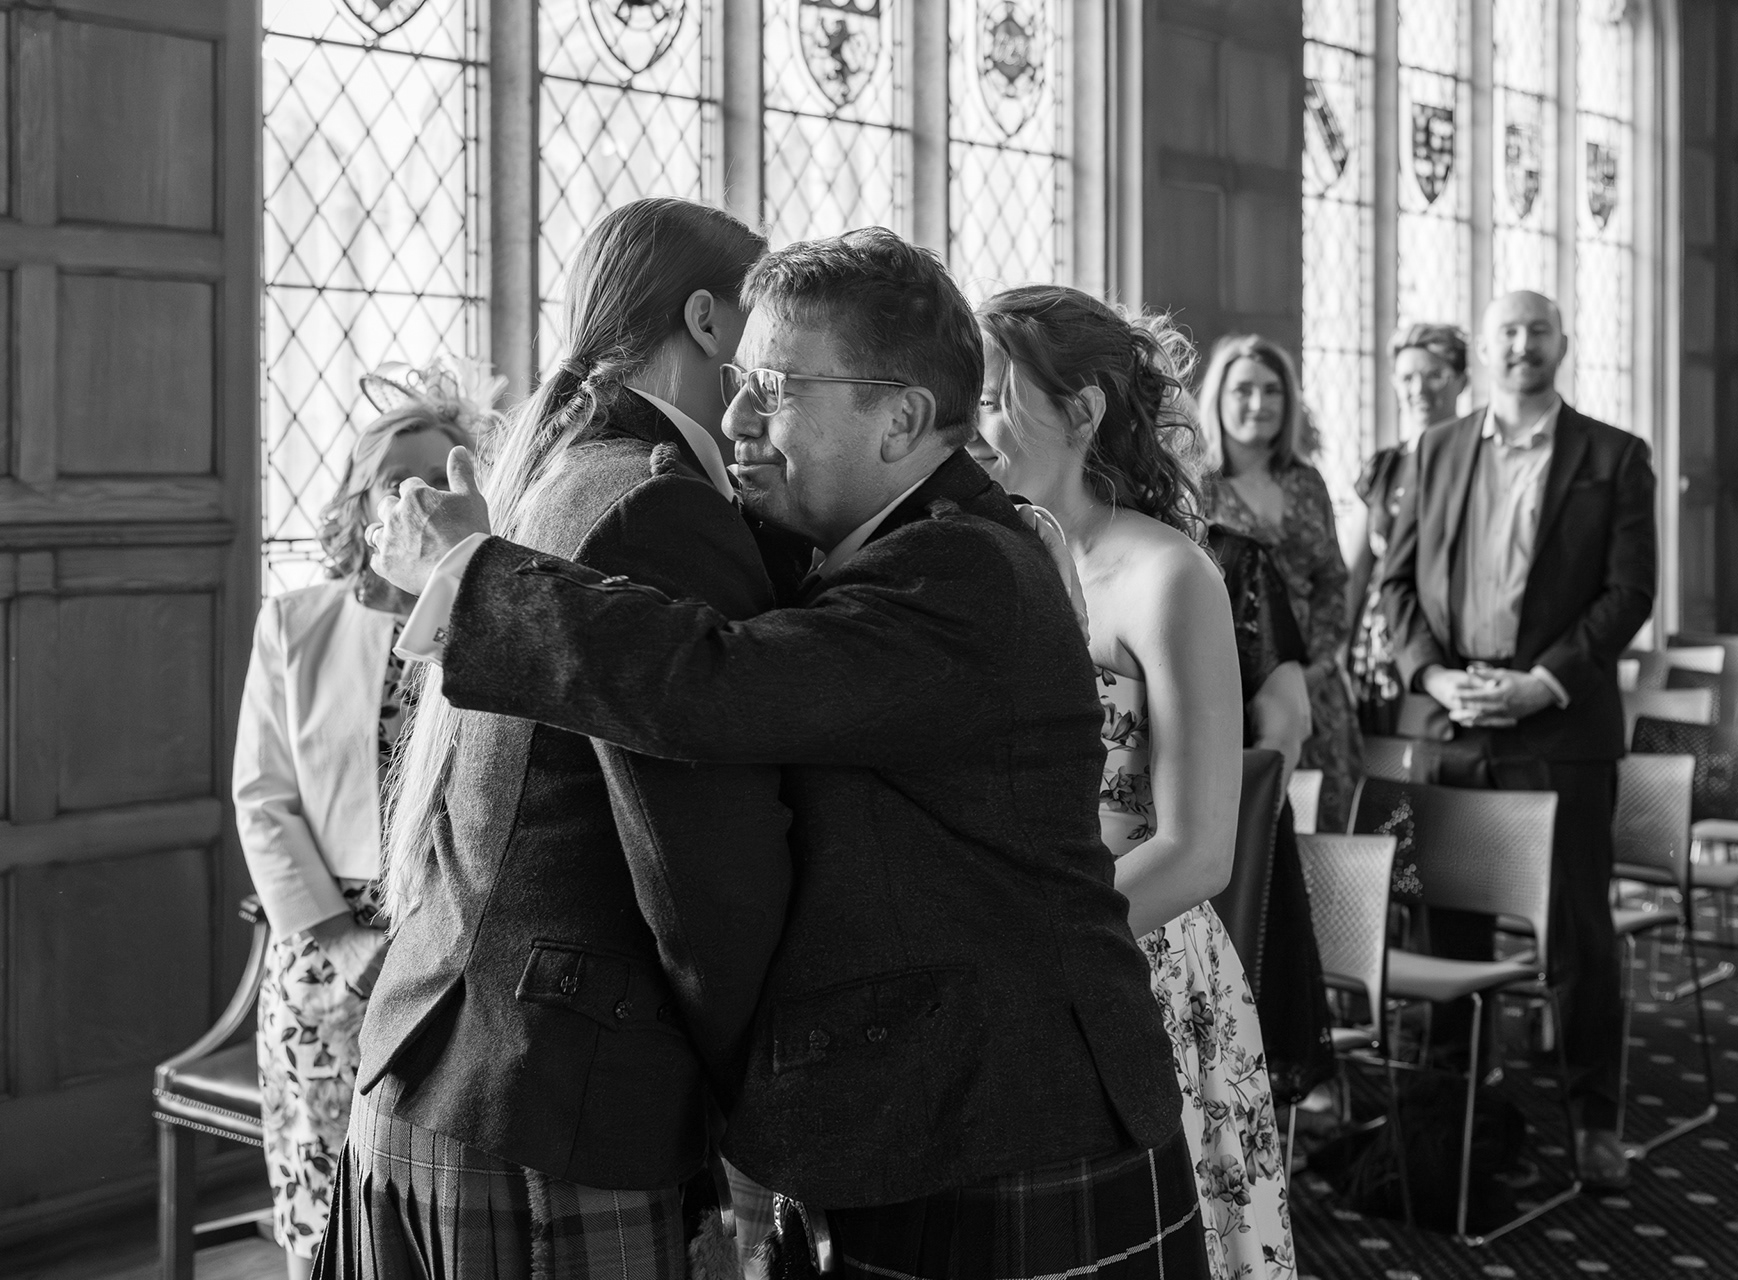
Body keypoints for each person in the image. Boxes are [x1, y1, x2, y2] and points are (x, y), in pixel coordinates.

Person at [367, 228, 1208, 1277]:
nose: (733, 418)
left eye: (773, 386)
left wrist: (472, 573)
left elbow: (716, 683)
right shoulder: (883, 540)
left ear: (901, 417)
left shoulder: (964, 572)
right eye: (734, 381)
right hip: (930, 1116)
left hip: (1009, 1116)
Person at [319, 199, 793, 1278]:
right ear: (711, 321)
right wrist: (752, 1105)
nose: (779, 375)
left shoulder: (563, 472)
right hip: (551, 1098)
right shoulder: (657, 506)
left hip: (443, 1068)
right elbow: (700, 874)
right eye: (771, 333)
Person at [973, 286, 1299, 1278]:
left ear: (1080, 412)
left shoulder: (1168, 577)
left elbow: (1199, 848)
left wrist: (1039, 947)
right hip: (1003, 959)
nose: (967, 425)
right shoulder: (991, 558)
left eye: (991, 396)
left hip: (1131, 957)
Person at [1377, 289, 1657, 1190]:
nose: (1523, 344)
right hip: (1454, 719)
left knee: (1576, 932)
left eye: (1538, 330)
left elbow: (1629, 594)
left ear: (1561, 344)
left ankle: (1594, 1123)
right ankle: (1454, 1112)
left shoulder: (1615, 457)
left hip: (1560, 726)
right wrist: (1431, 675)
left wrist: (1542, 682)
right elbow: (1394, 588)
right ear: (1487, 350)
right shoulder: (1436, 448)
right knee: (1446, 924)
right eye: (1508, 331)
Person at [233, 361, 490, 1280]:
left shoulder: (495, 624)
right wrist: (339, 938)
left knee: (428, 1209)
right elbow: (261, 798)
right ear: (364, 497)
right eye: (398, 480)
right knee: (318, 1197)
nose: (418, 497)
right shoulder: (294, 624)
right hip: (323, 951)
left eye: (443, 478)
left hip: (454, 943)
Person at [1195, 336, 1364, 833]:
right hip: (1238, 685)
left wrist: (1320, 663)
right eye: (1243, 390)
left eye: (1272, 392)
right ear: (1219, 398)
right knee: (1253, 829)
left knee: (1330, 830)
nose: (1259, 404)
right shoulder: (1195, 484)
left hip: (1317, 686)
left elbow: (1333, 578)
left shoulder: (1306, 482)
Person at [1348, 322, 1472, 734]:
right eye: (1407, 377)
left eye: (1435, 375)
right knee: (1384, 783)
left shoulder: (1477, 460)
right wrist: (1337, 654)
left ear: (1463, 381)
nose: (1420, 389)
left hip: (1443, 639)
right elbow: (1357, 571)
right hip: (1378, 646)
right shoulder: (1385, 465)